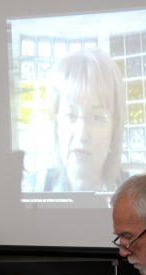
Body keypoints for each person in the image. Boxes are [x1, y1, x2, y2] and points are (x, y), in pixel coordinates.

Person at [40, 48, 125, 192]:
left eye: (97, 117)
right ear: (56, 126)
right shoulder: (33, 190)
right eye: (70, 116)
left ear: (114, 130)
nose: (81, 135)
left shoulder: (135, 199)